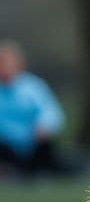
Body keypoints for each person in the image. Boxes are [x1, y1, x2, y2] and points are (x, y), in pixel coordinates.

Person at [0, 40, 68, 179]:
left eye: (8, 63)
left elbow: (51, 112)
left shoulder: (33, 87)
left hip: (34, 143)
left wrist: (45, 126)